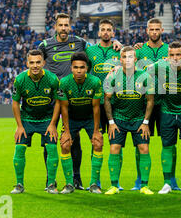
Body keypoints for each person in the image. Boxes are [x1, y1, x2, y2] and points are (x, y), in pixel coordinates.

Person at [39, 13, 121, 191]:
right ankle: (50, 180)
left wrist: (119, 44)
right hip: (53, 99)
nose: (63, 28)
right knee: (52, 140)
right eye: (60, 25)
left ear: (70, 27)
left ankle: (76, 179)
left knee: (76, 141)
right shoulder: (45, 45)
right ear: (55, 27)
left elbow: (99, 48)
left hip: (77, 97)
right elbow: (36, 63)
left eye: (66, 25)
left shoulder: (80, 43)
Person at [133, 18, 181, 191]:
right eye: (151, 29)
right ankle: (139, 179)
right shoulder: (139, 50)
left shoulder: (170, 51)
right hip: (144, 103)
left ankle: (171, 179)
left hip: (165, 103)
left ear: (162, 30)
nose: (154, 32)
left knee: (169, 142)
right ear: (147, 30)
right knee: (141, 142)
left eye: (157, 29)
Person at [147, 41, 181, 195]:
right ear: (167, 56)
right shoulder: (160, 66)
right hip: (167, 111)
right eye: (172, 55)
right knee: (167, 147)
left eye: (178, 55)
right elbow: (143, 71)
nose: (175, 58)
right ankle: (167, 183)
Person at [103, 46, 155, 195]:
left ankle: (144, 185)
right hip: (119, 118)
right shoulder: (112, 76)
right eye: (125, 57)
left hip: (139, 119)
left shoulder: (145, 77)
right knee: (114, 149)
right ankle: (114, 185)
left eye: (131, 57)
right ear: (120, 59)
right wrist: (111, 122)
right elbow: (107, 100)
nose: (128, 60)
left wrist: (145, 123)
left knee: (144, 149)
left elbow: (150, 101)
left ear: (136, 59)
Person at [10, 49, 61, 194]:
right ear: (27, 63)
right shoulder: (20, 79)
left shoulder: (52, 79)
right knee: (19, 148)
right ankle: (19, 184)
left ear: (44, 63)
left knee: (51, 148)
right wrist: (19, 126)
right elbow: (15, 103)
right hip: (27, 119)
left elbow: (58, 101)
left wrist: (52, 124)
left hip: (47, 120)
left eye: (38, 62)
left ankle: (51, 184)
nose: (35, 65)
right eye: (32, 62)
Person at [58, 52, 104, 194]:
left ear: (87, 68)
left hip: (90, 118)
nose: (79, 70)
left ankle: (94, 184)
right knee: (65, 144)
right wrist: (66, 131)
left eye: (82, 67)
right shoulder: (64, 83)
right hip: (71, 118)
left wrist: (96, 131)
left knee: (98, 143)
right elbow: (63, 108)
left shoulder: (95, 82)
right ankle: (69, 184)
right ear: (71, 68)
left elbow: (96, 107)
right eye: (76, 67)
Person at [85, 18, 122, 190]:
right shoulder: (90, 51)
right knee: (97, 141)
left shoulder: (119, 51)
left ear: (113, 33)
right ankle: (95, 180)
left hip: (116, 104)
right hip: (96, 104)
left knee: (116, 143)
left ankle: (116, 182)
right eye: (103, 29)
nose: (106, 32)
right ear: (98, 33)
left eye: (109, 29)